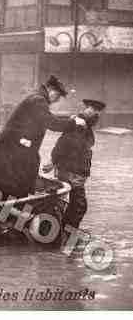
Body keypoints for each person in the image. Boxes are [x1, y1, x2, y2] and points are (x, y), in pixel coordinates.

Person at [0, 75, 87, 199]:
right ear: (50, 89)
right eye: (57, 96)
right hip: (11, 155)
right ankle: (14, 212)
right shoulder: (38, 100)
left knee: (12, 188)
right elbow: (52, 123)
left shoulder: (36, 99)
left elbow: (49, 118)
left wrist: (69, 120)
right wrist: (74, 123)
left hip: (12, 153)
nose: (56, 100)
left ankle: (12, 211)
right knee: (12, 189)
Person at [43, 99, 106, 231]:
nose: (97, 115)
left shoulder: (85, 126)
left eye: (98, 112)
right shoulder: (79, 125)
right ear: (88, 109)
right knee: (78, 206)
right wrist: (53, 162)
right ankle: (65, 233)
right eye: (95, 111)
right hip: (71, 172)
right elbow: (63, 144)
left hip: (75, 172)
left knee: (72, 205)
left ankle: (63, 231)